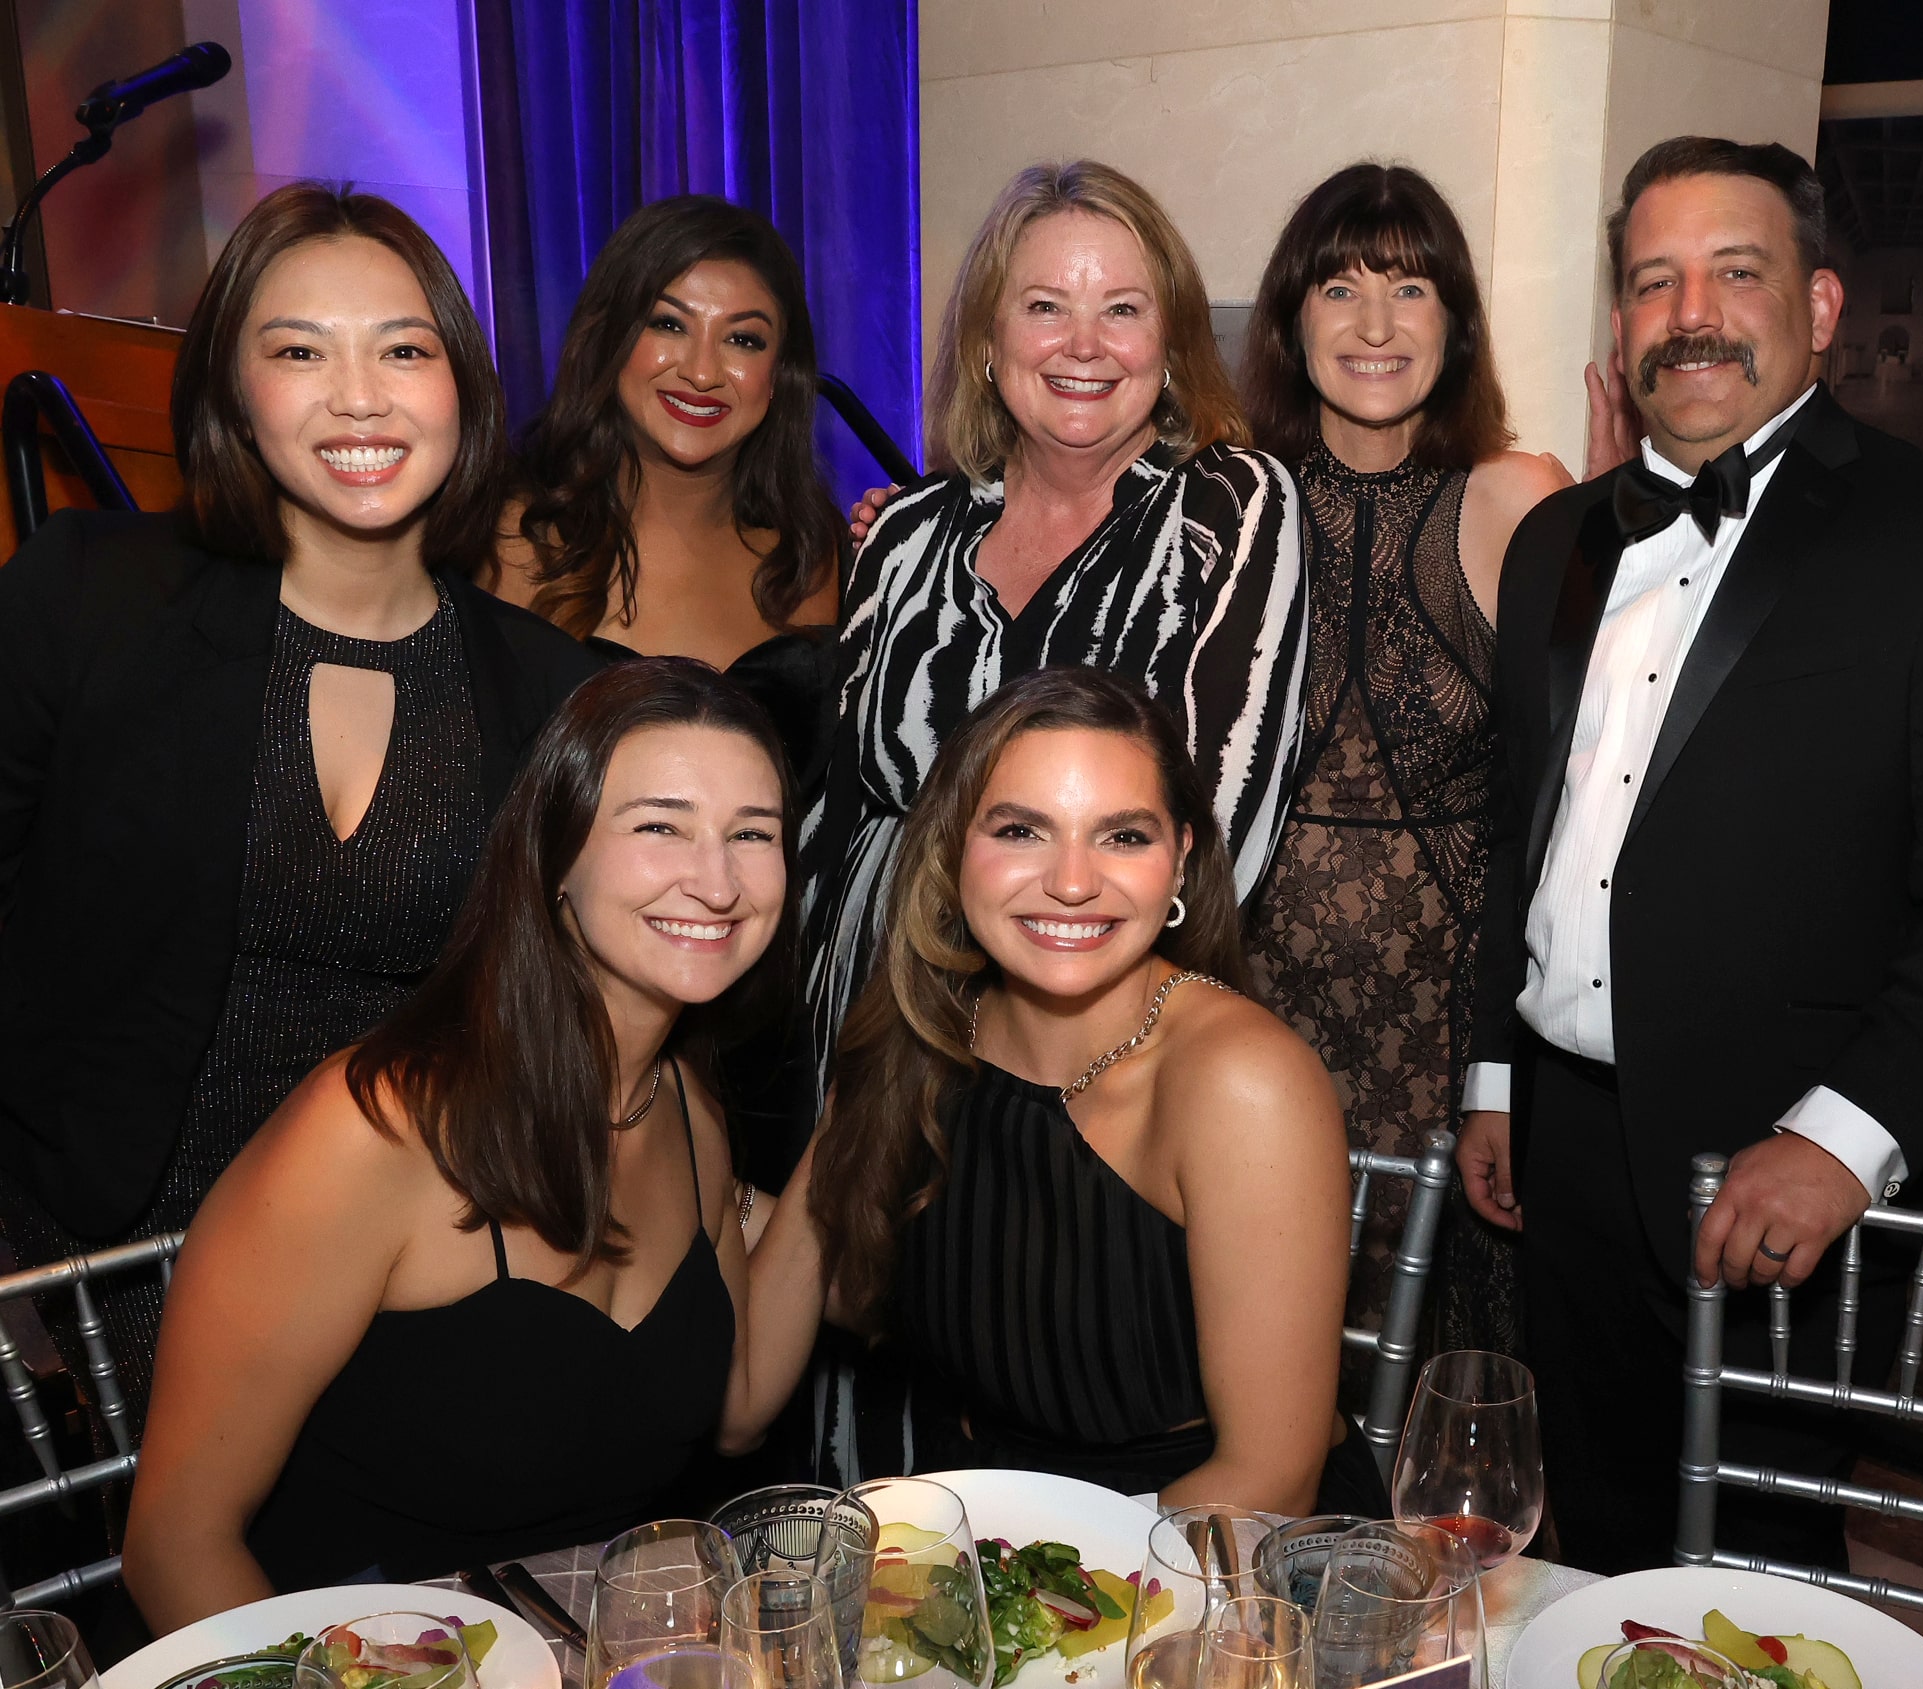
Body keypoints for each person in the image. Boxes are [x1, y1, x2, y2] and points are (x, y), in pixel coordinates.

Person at [1454, 136, 1923, 1574]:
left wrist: (1842, 1139)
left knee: (1762, 1569)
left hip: (1775, 1157)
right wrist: (1494, 1073)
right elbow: (1516, 829)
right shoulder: (1554, 540)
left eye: (1736, 272)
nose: (1692, 315)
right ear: (1620, 322)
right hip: (1561, 1142)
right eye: (1653, 281)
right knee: (1590, 1532)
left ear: (1823, 305)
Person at [0, 183, 599, 1401]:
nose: (359, 397)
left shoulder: (549, 690)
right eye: (299, 352)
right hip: (95, 1280)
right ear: (233, 392)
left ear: (464, 388)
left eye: (403, 350)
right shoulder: (89, 600)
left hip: (401, 1278)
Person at [125, 660, 821, 1622]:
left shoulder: (685, 1112)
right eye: (659, 826)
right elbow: (174, 1543)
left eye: (753, 833)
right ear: (555, 855)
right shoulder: (373, 1129)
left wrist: (849, 1136)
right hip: (344, 1654)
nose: (717, 881)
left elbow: (736, 1410)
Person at [764, 665, 1377, 1513]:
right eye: (1021, 830)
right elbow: (768, 1371)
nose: (1073, 881)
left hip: (1200, 1545)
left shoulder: (1242, 1082)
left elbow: (1266, 1481)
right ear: (951, 847)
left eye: (1123, 836)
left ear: (1180, 858)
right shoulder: (920, 1034)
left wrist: (1025, 1591)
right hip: (976, 1523)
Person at [803, 159, 1306, 1077]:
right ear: (988, 340)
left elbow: (1221, 828)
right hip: (872, 1024)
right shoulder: (904, 534)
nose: (1083, 344)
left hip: (1095, 1036)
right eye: (1045, 306)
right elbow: (833, 815)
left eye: (1122, 309)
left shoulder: (1228, 507)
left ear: (1169, 342)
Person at [1237, 163, 1568, 1359]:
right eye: (1340, 287)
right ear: (1293, 322)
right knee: (1266, 1349)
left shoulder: (1521, 500)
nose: (1375, 324)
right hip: (1252, 1015)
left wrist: (1503, 1075)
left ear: (1456, 322)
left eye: (1411, 288)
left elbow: (1570, 804)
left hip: (1450, 1040)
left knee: (1436, 1384)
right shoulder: (1232, 505)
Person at [492, 196, 845, 779]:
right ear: (610, 341)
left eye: (743, 340)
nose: (701, 373)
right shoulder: (512, 537)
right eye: (668, 324)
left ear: (779, 375)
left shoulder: (814, 551)